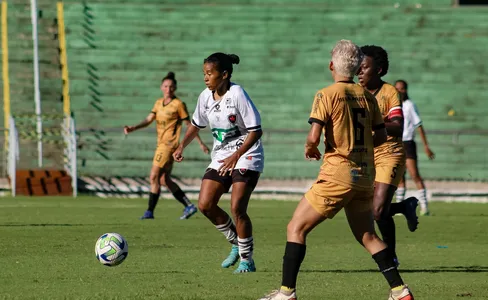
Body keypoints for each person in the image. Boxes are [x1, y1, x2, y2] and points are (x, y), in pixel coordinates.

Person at [258, 40, 413, 300]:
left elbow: (313, 135)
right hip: (365, 176)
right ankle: (400, 291)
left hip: (337, 174)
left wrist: (310, 147)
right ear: (354, 67)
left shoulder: (326, 94)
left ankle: (286, 293)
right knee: (368, 235)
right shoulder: (367, 96)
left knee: (296, 227)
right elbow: (381, 136)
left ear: (332, 65)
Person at [173, 53, 264, 274]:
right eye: (204, 73)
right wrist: (181, 145)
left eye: (209, 73)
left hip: (247, 154)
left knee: (237, 208)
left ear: (224, 75)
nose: (205, 77)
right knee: (205, 204)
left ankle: (247, 260)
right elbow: (195, 124)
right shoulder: (205, 96)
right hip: (222, 155)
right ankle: (236, 242)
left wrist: (236, 156)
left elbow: (256, 131)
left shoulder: (237, 93)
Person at [358, 45, 419, 264]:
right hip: (365, 155)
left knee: (377, 209)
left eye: (364, 67)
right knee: (370, 209)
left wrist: (372, 123)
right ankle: (404, 206)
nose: (359, 71)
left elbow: (397, 127)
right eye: (357, 67)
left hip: (389, 153)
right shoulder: (356, 92)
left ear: (380, 70)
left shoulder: (389, 92)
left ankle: (390, 255)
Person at [124, 72, 209, 220]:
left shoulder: (178, 105)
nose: (168, 89)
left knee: (153, 176)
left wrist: (200, 143)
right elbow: (149, 119)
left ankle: (149, 211)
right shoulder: (158, 103)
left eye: (171, 86)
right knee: (164, 180)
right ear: (161, 87)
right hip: (162, 144)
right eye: (165, 86)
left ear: (175, 87)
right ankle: (188, 206)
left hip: (168, 145)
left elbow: (190, 125)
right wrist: (133, 128)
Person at [394, 79, 434, 216]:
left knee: (414, 174)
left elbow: (419, 125)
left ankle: (424, 206)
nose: (400, 91)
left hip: (408, 143)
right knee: (399, 177)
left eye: (402, 88)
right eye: (397, 89)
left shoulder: (410, 105)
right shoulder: (393, 106)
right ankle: (400, 208)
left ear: (406, 90)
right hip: (396, 143)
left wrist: (426, 146)